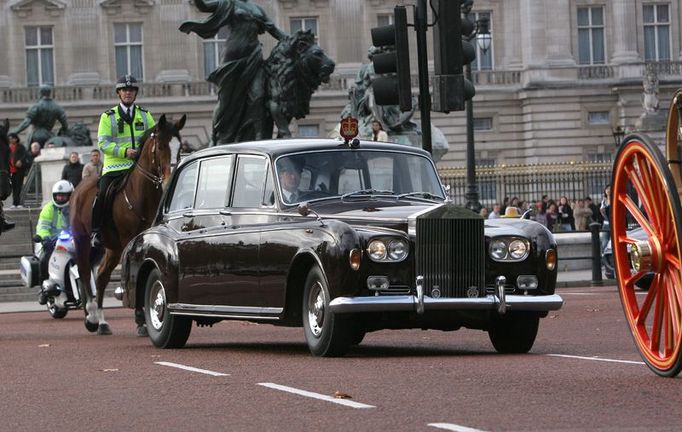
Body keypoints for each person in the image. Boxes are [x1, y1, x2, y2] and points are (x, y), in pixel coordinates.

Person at [180, 0, 287, 144]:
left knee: (258, 95)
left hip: (254, 55)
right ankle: (215, 135)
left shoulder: (257, 8)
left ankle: (259, 137)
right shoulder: (228, 3)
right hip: (233, 57)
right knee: (225, 101)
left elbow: (273, 29)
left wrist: (292, 41)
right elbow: (203, 6)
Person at [92, 75, 155, 246]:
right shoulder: (108, 116)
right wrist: (124, 151)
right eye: (124, 90)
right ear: (119, 93)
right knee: (102, 194)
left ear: (135, 93)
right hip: (115, 167)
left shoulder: (145, 115)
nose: (128, 93)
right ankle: (97, 232)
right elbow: (103, 143)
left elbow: (152, 140)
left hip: (139, 167)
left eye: (131, 90)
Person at [35, 180, 72, 304]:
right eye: (58, 195)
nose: (60, 197)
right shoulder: (48, 208)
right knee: (44, 259)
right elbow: (42, 226)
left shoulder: (75, 207)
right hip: (51, 242)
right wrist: (45, 238)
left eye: (63, 195)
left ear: (70, 195)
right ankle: (43, 290)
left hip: (71, 241)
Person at [8, 133, 28, 208]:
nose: (10, 140)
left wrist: (20, 161)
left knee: (18, 187)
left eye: (11, 138)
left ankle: (18, 203)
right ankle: (14, 203)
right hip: (11, 170)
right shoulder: (8, 147)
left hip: (19, 170)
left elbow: (25, 155)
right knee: (13, 187)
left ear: (16, 139)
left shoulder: (21, 146)